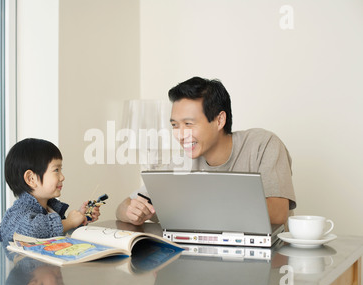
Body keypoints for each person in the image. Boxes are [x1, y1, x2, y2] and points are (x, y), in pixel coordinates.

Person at [116, 76, 296, 226]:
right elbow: (124, 206)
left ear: (219, 121)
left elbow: (278, 214)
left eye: (188, 124)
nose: (180, 135)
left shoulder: (263, 144)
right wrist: (131, 211)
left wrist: (193, 205)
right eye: (175, 125)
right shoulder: (181, 163)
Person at [0, 138, 100, 243]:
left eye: (61, 170)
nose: (62, 177)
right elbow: (33, 230)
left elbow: (58, 234)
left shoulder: (51, 209)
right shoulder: (17, 213)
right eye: (56, 170)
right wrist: (69, 222)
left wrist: (80, 217)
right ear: (31, 179)